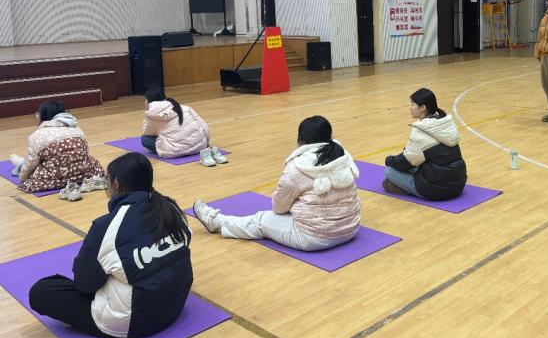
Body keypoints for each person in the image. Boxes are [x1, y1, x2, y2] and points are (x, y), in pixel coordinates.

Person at [29, 152, 193, 338]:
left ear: (116, 184)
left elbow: (84, 284)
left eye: (107, 179)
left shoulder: (107, 226)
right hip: (175, 305)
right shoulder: (171, 208)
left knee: (42, 291)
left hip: (134, 323)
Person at [193, 116, 360, 251]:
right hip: (350, 229)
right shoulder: (343, 155)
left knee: (261, 220)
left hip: (315, 237)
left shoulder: (298, 166)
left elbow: (279, 207)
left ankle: (216, 222)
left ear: (301, 139)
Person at [383, 88, 466, 200]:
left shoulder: (420, 131)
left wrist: (389, 160)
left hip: (437, 190)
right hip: (458, 184)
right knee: (418, 161)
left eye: (413, 104)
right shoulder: (446, 122)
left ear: (422, 108)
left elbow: (407, 161)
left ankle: (404, 188)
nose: (410, 108)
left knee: (389, 172)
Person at [9, 100, 105, 196]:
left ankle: (20, 163)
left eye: (38, 113)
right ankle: (20, 163)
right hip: (84, 174)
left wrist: (22, 178)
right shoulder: (77, 129)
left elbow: (31, 164)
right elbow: (84, 153)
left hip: (53, 179)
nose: (36, 115)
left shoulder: (37, 136)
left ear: (44, 115)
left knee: (29, 166)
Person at [141, 88, 223, 165]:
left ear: (148, 101)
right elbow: (203, 125)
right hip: (199, 146)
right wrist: (206, 142)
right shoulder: (183, 107)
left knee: (145, 139)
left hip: (175, 152)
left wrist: (147, 111)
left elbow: (146, 133)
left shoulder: (151, 114)